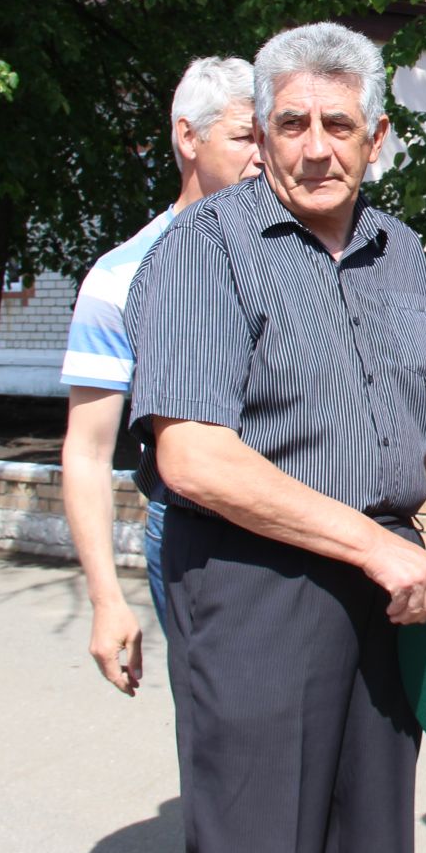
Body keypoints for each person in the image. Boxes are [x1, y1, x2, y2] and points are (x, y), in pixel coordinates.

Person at [126, 21, 426, 853]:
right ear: (258, 134)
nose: (315, 146)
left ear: (375, 138)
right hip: (259, 589)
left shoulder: (404, 253)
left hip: (393, 604)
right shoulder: (203, 248)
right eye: (290, 123)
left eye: (338, 124)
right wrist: (378, 545)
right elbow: (194, 458)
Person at [60, 56, 260, 695]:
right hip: (193, 534)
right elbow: (88, 452)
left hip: (311, 522)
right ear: (187, 137)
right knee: (225, 730)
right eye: (244, 136)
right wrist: (105, 599)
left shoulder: (302, 256)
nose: (264, 156)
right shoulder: (120, 277)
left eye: (268, 136)